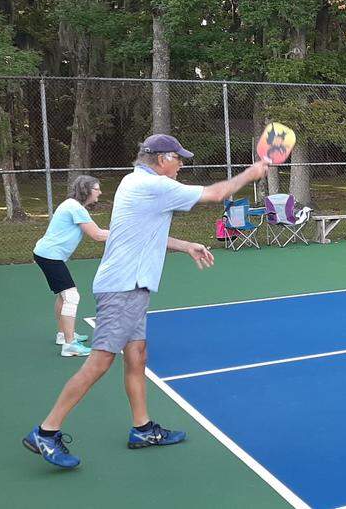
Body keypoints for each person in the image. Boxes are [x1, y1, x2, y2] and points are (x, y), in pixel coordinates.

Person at [22, 134, 270, 469]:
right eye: (178, 158)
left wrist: (185, 245)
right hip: (123, 287)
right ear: (163, 158)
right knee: (99, 362)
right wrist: (251, 174)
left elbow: (144, 233)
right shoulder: (154, 186)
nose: (182, 164)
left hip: (132, 287)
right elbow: (216, 194)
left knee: (137, 355)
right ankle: (46, 431)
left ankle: (142, 429)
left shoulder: (133, 182)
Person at [33, 175, 110, 357]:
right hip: (50, 256)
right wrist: (125, 234)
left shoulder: (72, 205)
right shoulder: (76, 208)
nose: (100, 192)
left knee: (63, 295)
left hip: (45, 254)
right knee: (71, 296)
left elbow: (98, 233)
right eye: (97, 188)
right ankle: (70, 345)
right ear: (87, 190)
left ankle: (63, 335)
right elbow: (97, 235)